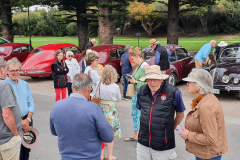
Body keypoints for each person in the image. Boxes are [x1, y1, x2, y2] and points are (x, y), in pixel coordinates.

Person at [50, 73, 114, 160]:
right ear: (89, 89)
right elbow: (108, 136)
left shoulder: (57, 106)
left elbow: (54, 132)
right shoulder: (94, 108)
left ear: (72, 86)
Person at [136, 65, 185, 160]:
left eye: (156, 79)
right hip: (143, 143)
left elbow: (180, 115)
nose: (152, 82)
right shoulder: (141, 91)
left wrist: (170, 128)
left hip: (163, 146)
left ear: (161, 79)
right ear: (145, 80)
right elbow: (141, 111)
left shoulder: (174, 92)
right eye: (149, 79)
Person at [180, 68, 229, 160]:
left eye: (189, 82)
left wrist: (188, 135)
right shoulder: (205, 99)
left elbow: (210, 138)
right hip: (206, 153)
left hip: (208, 155)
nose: (187, 84)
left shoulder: (206, 106)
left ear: (199, 86)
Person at [6, 58, 35, 160]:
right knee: (13, 149)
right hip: (13, 123)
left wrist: (28, 119)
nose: (15, 73)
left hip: (28, 121)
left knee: (26, 148)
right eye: (12, 71)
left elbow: (31, 102)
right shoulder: (4, 86)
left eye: (17, 70)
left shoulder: (25, 84)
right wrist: (20, 122)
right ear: (6, 72)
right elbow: (6, 110)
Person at [124, 47, 149, 142]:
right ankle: (136, 134)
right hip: (137, 94)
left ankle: (139, 135)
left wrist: (136, 82)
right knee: (135, 114)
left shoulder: (145, 66)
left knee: (139, 115)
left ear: (137, 56)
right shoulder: (140, 65)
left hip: (141, 94)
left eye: (133, 58)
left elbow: (148, 83)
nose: (132, 61)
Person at [0, 57, 22, 160]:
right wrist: (16, 134)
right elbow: (6, 114)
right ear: (2, 69)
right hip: (7, 139)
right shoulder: (4, 85)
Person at [98, 65, 122, 160]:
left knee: (101, 132)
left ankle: (102, 154)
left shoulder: (100, 84)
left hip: (101, 109)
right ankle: (111, 155)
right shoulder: (115, 86)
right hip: (111, 109)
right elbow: (119, 99)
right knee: (110, 132)